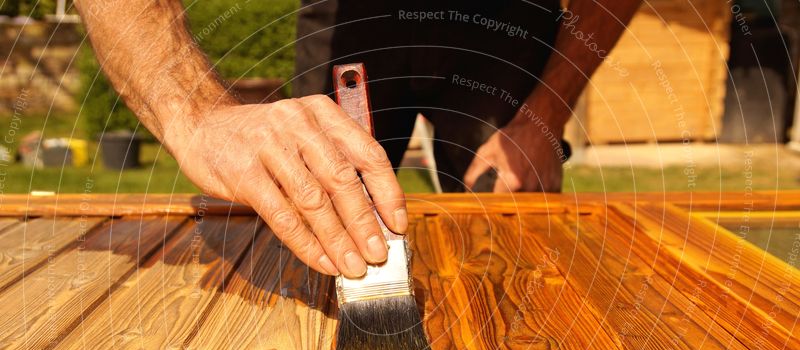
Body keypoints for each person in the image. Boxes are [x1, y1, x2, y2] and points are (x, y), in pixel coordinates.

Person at [76, 0, 640, 278]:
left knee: (519, 248)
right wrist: (196, 114)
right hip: (357, 15)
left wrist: (546, 113)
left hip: (501, 17)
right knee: (316, 209)